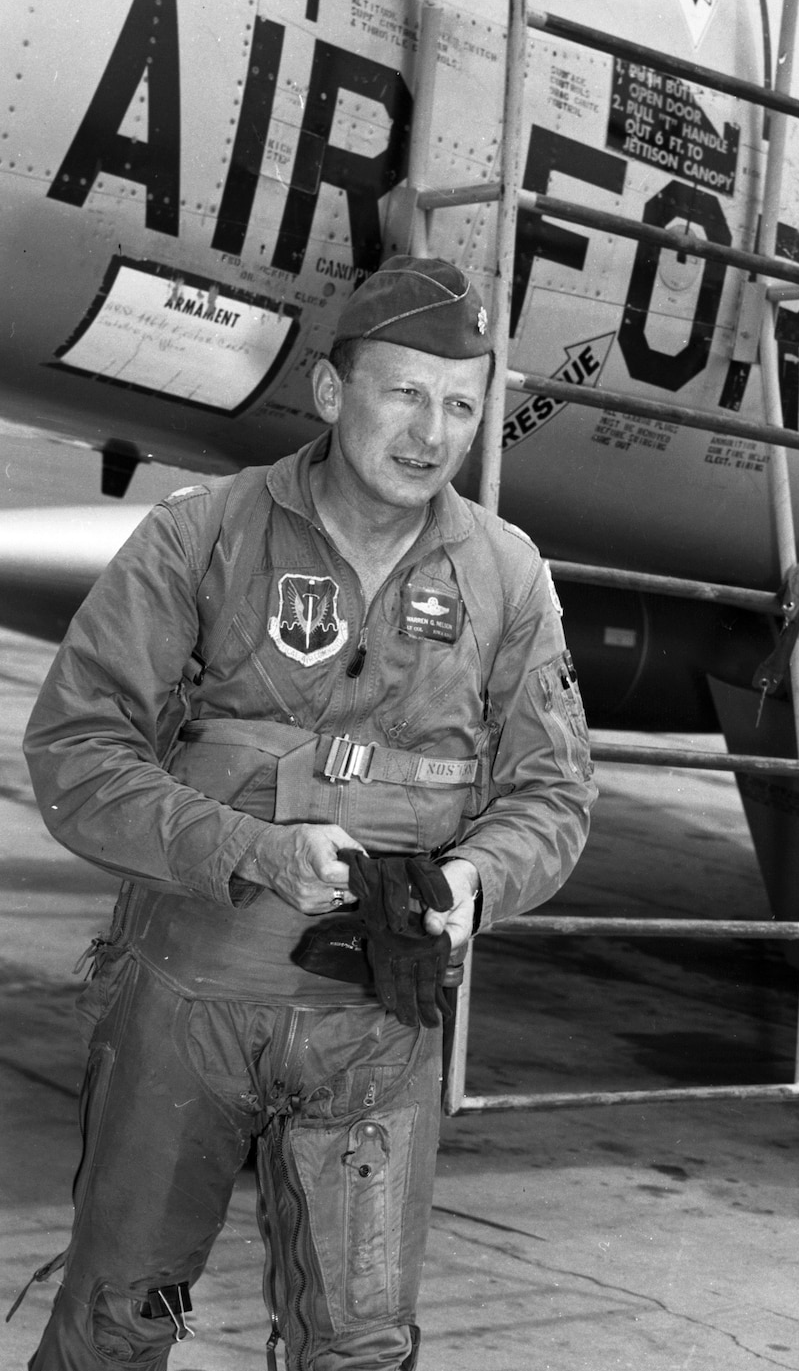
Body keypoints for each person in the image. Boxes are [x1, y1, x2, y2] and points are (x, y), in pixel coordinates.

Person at [18, 256, 597, 1370]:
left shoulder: (506, 578)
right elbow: (77, 754)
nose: (433, 432)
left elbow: (551, 793)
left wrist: (478, 883)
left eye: (464, 403)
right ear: (333, 395)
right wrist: (251, 850)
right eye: (405, 393)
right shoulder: (203, 537)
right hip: (187, 1004)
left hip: (378, 1024)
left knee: (358, 1345)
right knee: (123, 1322)